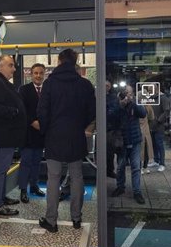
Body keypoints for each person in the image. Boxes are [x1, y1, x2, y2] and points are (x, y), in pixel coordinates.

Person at [37, 49, 96, 232]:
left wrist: (46, 131)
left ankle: (51, 221)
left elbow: (42, 111)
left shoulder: (50, 83)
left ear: (60, 61)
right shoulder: (85, 84)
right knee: (77, 176)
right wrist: (81, 126)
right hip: (76, 136)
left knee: (53, 178)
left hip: (54, 136)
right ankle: (76, 219)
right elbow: (91, 112)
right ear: (76, 60)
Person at [0, 55, 25, 216]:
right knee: (0, 169)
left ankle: (1, 197)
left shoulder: (1, 82)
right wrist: (15, 111)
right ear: (0, 66)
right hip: (3, 135)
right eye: (11, 65)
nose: (14, 69)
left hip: (8, 134)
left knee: (3, 168)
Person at [109, 84, 147, 204]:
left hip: (135, 140)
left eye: (130, 93)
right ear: (121, 94)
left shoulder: (135, 103)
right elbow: (110, 116)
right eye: (126, 93)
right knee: (120, 167)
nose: (128, 95)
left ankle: (137, 192)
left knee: (136, 167)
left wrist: (133, 102)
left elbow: (143, 113)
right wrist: (121, 105)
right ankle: (120, 187)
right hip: (122, 141)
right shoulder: (116, 103)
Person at [17, 63, 47, 203]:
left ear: (44, 74)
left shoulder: (47, 89)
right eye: (35, 73)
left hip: (41, 133)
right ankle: (23, 189)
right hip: (28, 133)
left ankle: (34, 185)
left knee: (37, 162)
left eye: (41, 73)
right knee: (26, 162)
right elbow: (22, 110)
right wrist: (33, 122)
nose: (38, 75)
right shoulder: (23, 90)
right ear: (31, 74)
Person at [149, 91, 170, 171]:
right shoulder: (151, 98)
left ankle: (162, 163)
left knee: (159, 144)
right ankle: (156, 160)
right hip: (152, 125)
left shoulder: (163, 98)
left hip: (159, 126)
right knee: (154, 143)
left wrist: (159, 120)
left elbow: (166, 111)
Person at [105, 80, 119, 178]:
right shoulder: (96, 96)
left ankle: (110, 170)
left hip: (110, 128)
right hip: (102, 126)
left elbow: (114, 111)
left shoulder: (113, 98)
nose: (106, 87)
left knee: (110, 152)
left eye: (107, 86)